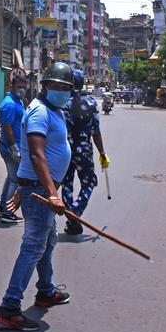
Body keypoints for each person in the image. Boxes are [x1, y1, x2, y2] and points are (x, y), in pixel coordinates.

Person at [0, 62, 74, 331]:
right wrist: (51, 193)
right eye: (59, 86)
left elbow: (32, 159)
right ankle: (9, 307)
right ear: (47, 85)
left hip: (37, 188)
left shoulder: (54, 110)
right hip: (41, 192)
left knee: (48, 241)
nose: (63, 91)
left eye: (67, 88)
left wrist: (22, 187)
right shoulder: (39, 112)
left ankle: (46, 290)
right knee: (33, 247)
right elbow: (37, 154)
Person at [60, 69, 110, 235]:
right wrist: (102, 153)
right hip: (84, 149)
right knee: (88, 183)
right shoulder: (91, 103)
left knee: (66, 183)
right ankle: (76, 210)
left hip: (65, 150)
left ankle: (71, 217)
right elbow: (96, 131)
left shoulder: (62, 103)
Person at [0, 70, 28, 224]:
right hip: (10, 147)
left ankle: (2, 207)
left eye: (24, 87)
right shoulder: (9, 104)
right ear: (12, 86)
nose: (22, 90)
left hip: (15, 146)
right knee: (16, 179)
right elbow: (7, 127)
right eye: (19, 86)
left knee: (11, 177)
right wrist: (14, 147)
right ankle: (8, 212)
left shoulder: (18, 102)